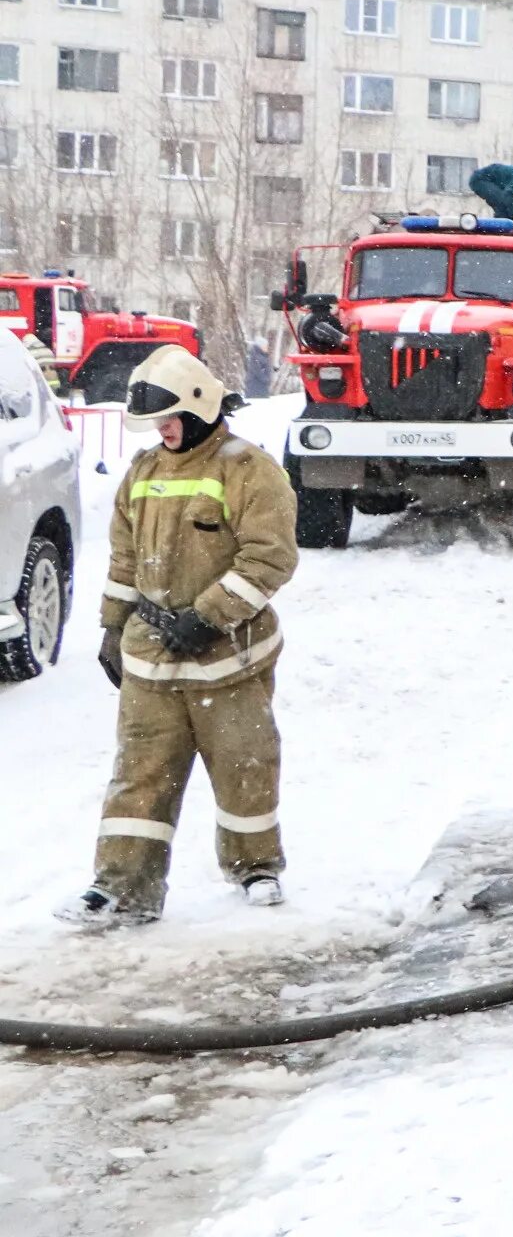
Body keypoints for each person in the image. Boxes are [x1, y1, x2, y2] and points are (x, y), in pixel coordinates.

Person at [59, 347, 298, 928]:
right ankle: (122, 886)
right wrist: (112, 629)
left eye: (168, 421)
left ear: (199, 408)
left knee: (244, 763)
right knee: (140, 772)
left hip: (229, 660)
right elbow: (124, 560)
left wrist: (210, 614)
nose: (161, 433)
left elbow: (270, 556)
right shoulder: (142, 472)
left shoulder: (248, 469)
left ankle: (255, 867)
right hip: (152, 657)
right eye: (154, 425)